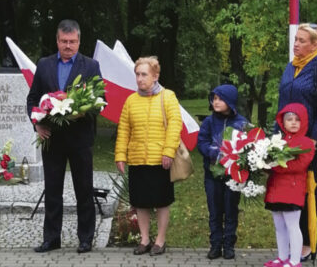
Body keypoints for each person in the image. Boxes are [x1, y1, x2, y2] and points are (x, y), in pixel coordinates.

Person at [26, 19, 102, 254]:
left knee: (84, 190)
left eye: (72, 41)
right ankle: (51, 239)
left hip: (80, 139)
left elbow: (100, 101)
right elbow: (32, 99)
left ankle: (85, 238)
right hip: (52, 138)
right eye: (64, 41)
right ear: (57, 41)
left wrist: (83, 111)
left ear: (79, 41)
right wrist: (37, 125)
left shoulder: (91, 66)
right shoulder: (44, 64)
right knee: (52, 190)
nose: (68, 45)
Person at [276, 23, 317, 262]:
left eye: (302, 41)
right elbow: (283, 103)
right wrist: (277, 135)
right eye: (296, 39)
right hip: (288, 139)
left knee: (309, 189)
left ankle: (307, 242)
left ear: (315, 44)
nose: (296, 44)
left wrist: (313, 139)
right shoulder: (291, 66)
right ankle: (292, 241)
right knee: (291, 187)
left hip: (313, 142)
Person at [115, 56, 182, 256]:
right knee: (140, 202)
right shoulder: (131, 100)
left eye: (144, 74)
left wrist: (168, 151)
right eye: (137, 74)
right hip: (137, 160)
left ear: (155, 76)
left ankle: (160, 241)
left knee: (162, 202)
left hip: (160, 160)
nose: (139, 78)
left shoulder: (168, 96)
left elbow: (175, 125)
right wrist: (120, 155)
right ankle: (144, 240)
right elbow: (124, 130)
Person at [197, 84, 250, 260]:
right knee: (215, 210)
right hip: (212, 175)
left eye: (220, 99)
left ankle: (228, 245)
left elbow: (249, 145)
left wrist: (241, 157)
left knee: (231, 209)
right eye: (214, 98)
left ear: (230, 101)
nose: (216, 102)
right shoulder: (209, 122)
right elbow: (202, 142)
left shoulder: (242, 123)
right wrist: (213, 152)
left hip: (233, 176)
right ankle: (215, 244)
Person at [264, 103, 316, 267]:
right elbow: (270, 162)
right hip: (275, 189)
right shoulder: (278, 142)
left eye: (297, 119)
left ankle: (294, 260)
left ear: (303, 121)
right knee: (279, 226)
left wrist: (275, 166)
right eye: (289, 119)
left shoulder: (306, 143)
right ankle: (282, 257)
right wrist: (263, 164)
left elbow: (299, 165)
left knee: (292, 226)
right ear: (283, 123)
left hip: (292, 189)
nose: (293, 122)